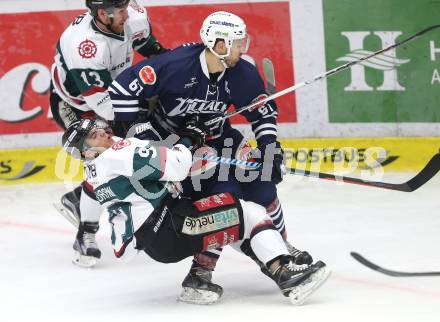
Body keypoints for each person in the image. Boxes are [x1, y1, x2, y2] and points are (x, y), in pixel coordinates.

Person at [107, 11, 313, 296]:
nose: (244, 48)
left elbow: (262, 114)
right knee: (225, 199)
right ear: (219, 44)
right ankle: (200, 272)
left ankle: (281, 246)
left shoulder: (243, 72)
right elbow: (121, 90)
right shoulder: (175, 65)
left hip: (220, 140)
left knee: (263, 186)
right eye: (238, 42)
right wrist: (144, 136)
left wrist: (269, 149)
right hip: (179, 150)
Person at [61, 118, 330, 305]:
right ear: (86, 151)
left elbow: (154, 173)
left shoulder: (94, 168)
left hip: (160, 235)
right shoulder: (117, 155)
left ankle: (203, 280)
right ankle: (285, 274)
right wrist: (190, 138)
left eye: (99, 128)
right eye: (95, 135)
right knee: (251, 213)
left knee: (229, 221)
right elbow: (176, 165)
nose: (104, 132)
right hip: (173, 228)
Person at [50, 0, 167, 267]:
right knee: (100, 162)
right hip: (78, 107)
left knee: (134, 145)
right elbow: (105, 106)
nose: (128, 13)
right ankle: (85, 234)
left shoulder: (131, 15)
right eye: (121, 10)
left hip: (114, 95)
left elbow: (148, 47)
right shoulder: (86, 48)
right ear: (103, 14)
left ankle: (77, 198)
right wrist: (144, 107)